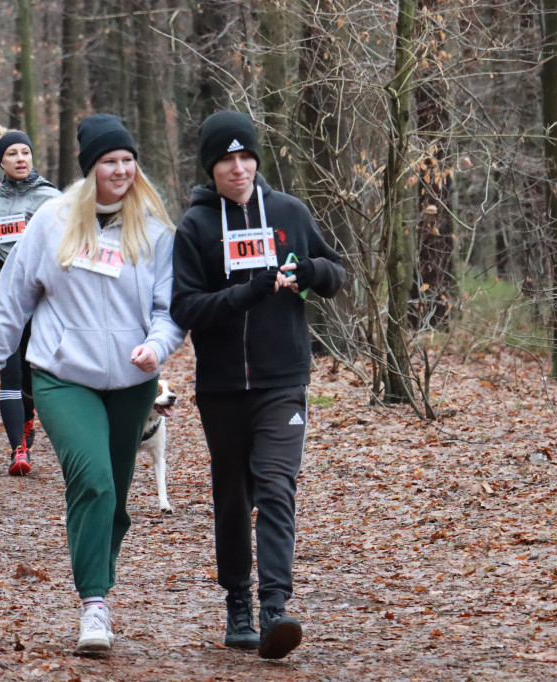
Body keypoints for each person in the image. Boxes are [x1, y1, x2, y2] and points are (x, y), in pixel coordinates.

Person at [0, 114, 183, 654]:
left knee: (113, 498)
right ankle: (95, 606)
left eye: (128, 161)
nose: (121, 170)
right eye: (109, 161)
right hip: (63, 377)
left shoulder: (154, 230)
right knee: (93, 483)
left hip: (132, 382)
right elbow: (13, 296)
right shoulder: (53, 221)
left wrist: (156, 347)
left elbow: (169, 310)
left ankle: (99, 581)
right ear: (90, 168)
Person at [170, 110, 346, 659]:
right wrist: (249, 291)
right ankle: (238, 603)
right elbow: (186, 307)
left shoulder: (289, 212)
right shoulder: (195, 228)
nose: (240, 168)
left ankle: (275, 608)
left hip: (283, 379)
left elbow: (336, 271)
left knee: (276, 486)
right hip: (222, 387)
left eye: (247, 158)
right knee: (232, 495)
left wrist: (311, 274)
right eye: (228, 160)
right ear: (212, 167)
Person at [0, 130, 59, 474]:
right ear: (1, 162)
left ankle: (28, 423)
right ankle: (18, 448)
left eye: (25, 152)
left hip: (41, 292)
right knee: (11, 369)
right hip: (1, 288)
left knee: (35, 370)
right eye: (12, 154)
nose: (20, 158)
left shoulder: (52, 198)